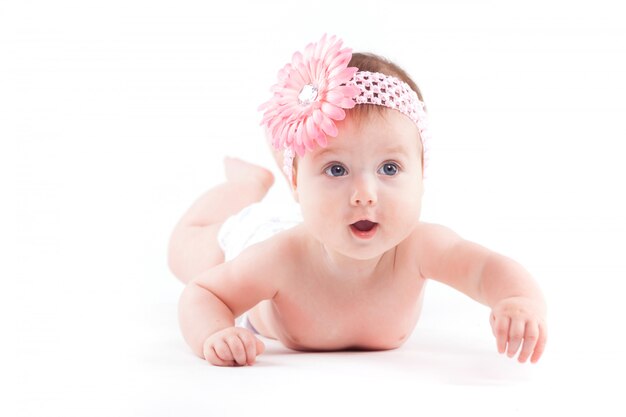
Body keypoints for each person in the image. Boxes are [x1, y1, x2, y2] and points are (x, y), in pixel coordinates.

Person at [168, 35, 547, 367]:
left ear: (422, 173)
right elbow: (203, 293)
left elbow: (485, 270)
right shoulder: (277, 258)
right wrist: (215, 334)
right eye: (336, 169)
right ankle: (247, 185)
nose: (365, 194)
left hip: (314, 221)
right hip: (253, 238)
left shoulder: (419, 247)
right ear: (297, 182)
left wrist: (517, 300)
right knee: (185, 247)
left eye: (389, 168)